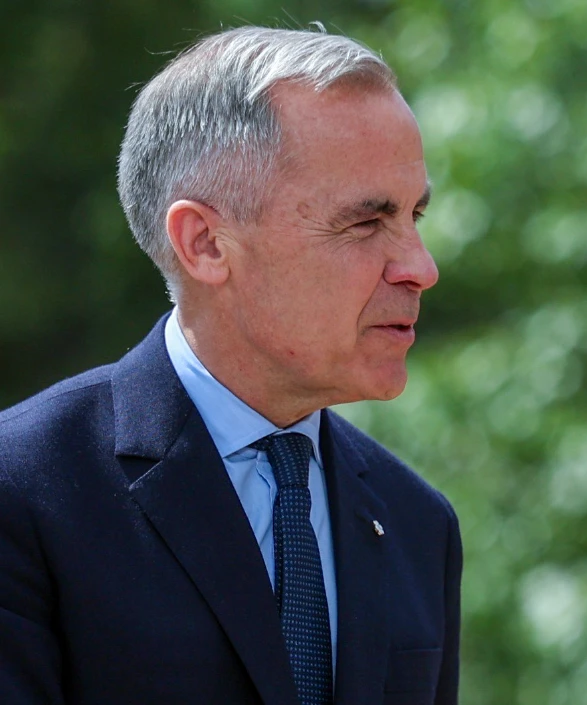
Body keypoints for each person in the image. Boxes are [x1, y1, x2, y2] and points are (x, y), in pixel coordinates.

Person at [0, 26, 460, 705]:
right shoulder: (24, 491)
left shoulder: (419, 522)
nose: (421, 266)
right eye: (366, 222)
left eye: (415, 215)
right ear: (206, 243)